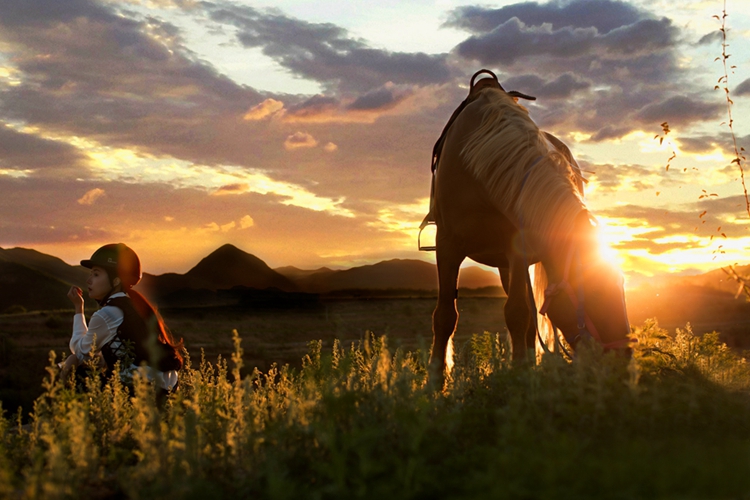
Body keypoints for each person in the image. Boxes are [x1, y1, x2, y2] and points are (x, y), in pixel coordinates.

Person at [62, 243, 183, 400]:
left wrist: (79, 309)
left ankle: (65, 416)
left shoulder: (107, 313)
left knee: (73, 363)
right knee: (100, 361)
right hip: (167, 387)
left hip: (141, 389)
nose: (89, 280)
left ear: (116, 281)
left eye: (96, 274)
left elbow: (81, 352)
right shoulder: (133, 304)